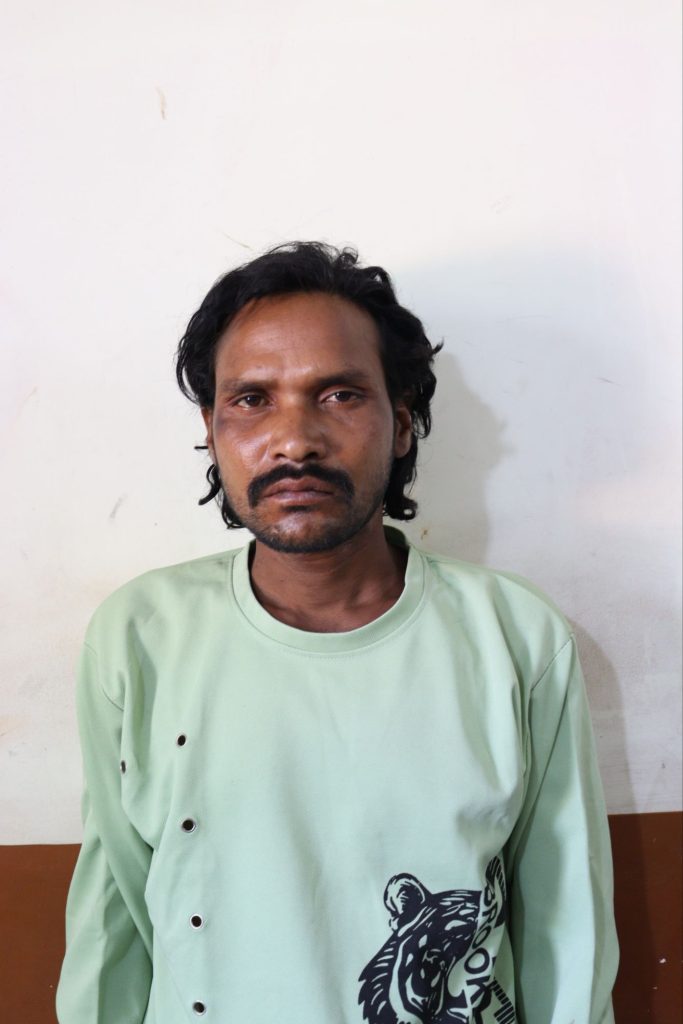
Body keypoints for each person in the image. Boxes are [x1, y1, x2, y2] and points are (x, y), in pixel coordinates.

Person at [57, 242, 618, 1024]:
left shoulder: (513, 637)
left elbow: (565, 925)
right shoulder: (140, 635)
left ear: (402, 423)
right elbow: (112, 917)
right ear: (211, 429)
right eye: (251, 399)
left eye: (339, 394)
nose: (295, 441)